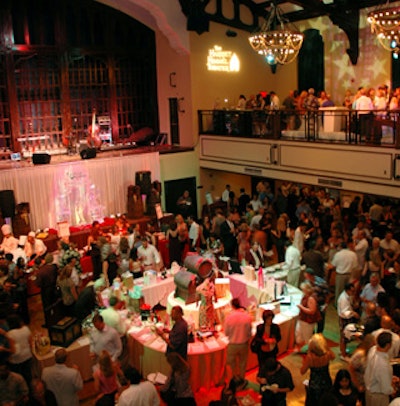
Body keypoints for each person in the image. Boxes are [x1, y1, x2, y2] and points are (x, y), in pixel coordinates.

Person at [224, 298, 252, 387]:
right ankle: (242, 381)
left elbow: (226, 333)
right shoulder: (247, 317)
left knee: (230, 365)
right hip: (243, 344)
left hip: (232, 344)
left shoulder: (229, 318)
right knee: (242, 364)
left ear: (232, 306)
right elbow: (249, 332)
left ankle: (231, 382)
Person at [364, 331, 398, 406]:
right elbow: (386, 389)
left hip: (369, 391)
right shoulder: (383, 364)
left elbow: (376, 374)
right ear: (388, 345)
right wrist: (393, 389)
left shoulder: (372, 349)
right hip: (378, 396)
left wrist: (390, 377)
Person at [300, 333, 335, 406]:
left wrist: (303, 362)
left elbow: (302, 371)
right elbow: (333, 357)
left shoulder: (310, 357)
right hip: (326, 381)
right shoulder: (327, 354)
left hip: (315, 384)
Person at [6, 314, 33, 387]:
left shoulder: (10, 334)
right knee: (28, 375)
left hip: (17, 360)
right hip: (27, 355)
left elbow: (13, 351)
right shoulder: (26, 329)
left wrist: (4, 349)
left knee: (19, 377)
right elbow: (31, 344)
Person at [349, 334, 376, 404]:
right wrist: (358, 385)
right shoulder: (360, 355)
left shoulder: (372, 354)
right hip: (359, 386)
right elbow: (351, 369)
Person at [337, 282, 360, 361]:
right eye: (352, 291)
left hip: (347, 318)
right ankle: (343, 355)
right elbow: (343, 313)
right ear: (347, 290)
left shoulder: (348, 296)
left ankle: (342, 351)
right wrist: (353, 313)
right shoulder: (343, 299)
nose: (353, 292)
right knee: (344, 337)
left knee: (344, 336)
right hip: (344, 319)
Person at [295, 281, 320, 352]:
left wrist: (301, 307)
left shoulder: (311, 298)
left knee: (307, 338)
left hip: (307, 321)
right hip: (302, 319)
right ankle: (299, 348)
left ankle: (310, 352)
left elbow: (312, 311)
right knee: (298, 334)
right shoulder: (305, 296)